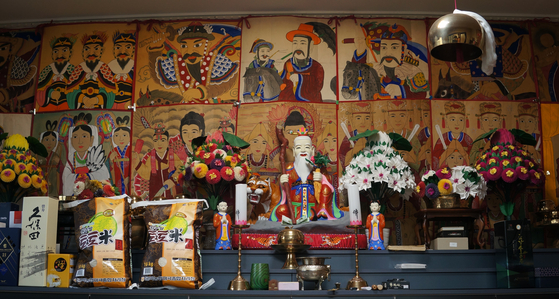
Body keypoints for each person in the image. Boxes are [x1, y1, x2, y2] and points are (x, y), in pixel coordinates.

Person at [148, 22, 239, 103]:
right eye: (184, 46)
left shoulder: (216, 60)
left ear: (208, 46)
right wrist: (155, 50)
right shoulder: (176, 62)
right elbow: (158, 77)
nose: (190, 51)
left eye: (197, 45)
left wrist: (202, 92)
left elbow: (227, 82)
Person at [278, 128, 343, 222]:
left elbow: (329, 188)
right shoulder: (289, 168)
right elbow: (284, 191)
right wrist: (282, 182)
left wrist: (322, 179)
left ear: (312, 150)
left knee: (326, 188)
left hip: (314, 207)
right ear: (293, 151)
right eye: (299, 148)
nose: (303, 151)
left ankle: (322, 211)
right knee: (281, 210)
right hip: (295, 208)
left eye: (307, 147)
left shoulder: (318, 167)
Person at [350, 22, 429, 99]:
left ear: (404, 49)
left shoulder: (413, 71)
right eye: (384, 47)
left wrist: (401, 90)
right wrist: (361, 49)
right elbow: (356, 70)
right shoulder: (376, 67)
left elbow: (421, 94)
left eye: (394, 47)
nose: (388, 53)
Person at [62, 112, 110, 195]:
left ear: (91, 140)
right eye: (75, 137)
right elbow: (66, 177)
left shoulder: (95, 157)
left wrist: (85, 175)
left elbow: (104, 175)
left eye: (84, 136)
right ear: (72, 141)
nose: (80, 141)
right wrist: (80, 176)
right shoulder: (71, 159)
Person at [66, 31, 116, 109]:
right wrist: (82, 98)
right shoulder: (79, 69)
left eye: (96, 49)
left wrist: (97, 99)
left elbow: (110, 94)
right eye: (87, 49)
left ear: (101, 51)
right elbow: (70, 93)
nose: (91, 53)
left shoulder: (104, 68)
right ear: (82, 52)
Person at [135, 123, 183, 199]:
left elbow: (181, 170)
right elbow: (146, 174)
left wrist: (173, 181)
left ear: (167, 142)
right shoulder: (151, 158)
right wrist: (137, 160)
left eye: (163, 140)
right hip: (155, 193)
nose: (159, 143)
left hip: (170, 193)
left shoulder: (172, 156)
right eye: (156, 141)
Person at [279, 23, 324, 102]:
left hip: (310, 103)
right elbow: (282, 82)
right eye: (295, 43)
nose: (298, 47)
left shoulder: (317, 66)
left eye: (302, 43)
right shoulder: (288, 63)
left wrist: (300, 78)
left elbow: (318, 86)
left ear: (311, 46)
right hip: (289, 102)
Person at [37, 35, 76, 111]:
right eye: (56, 51)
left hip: (66, 106)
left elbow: (77, 89)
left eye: (64, 51)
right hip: (48, 106)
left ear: (70, 53)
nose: (59, 55)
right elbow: (39, 89)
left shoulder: (73, 70)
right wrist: (50, 93)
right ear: (52, 54)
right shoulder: (47, 70)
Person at [433, 101, 473, 170]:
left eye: (461, 120)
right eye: (453, 119)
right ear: (446, 120)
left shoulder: (467, 139)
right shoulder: (443, 138)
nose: (457, 123)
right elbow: (436, 157)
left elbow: (472, 157)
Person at [108, 31, 135, 109]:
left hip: (129, 105)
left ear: (133, 51)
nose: (122, 51)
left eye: (128, 47)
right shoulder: (108, 69)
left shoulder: (134, 69)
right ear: (114, 50)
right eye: (118, 48)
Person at [38, 120, 63, 197]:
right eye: (46, 139)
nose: (50, 143)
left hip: (53, 186)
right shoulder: (37, 155)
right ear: (41, 141)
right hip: (40, 186)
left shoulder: (56, 156)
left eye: (53, 140)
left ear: (56, 142)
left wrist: (59, 163)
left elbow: (62, 170)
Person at [108, 116, 131, 195]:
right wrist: (110, 161)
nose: (121, 139)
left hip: (128, 182)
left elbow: (135, 167)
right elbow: (108, 169)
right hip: (117, 180)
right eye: (117, 136)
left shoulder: (131, 151)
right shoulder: (113, 152)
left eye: (124, 135)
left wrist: (130, 177)